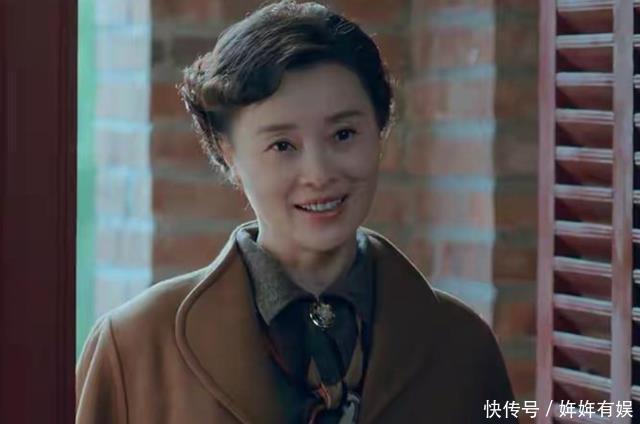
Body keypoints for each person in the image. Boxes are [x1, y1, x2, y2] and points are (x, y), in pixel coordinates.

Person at [76, 1, 517, 423]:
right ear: (228, 154)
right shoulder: (134, 346)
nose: (319, 174)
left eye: (344, 134)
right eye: (282, 145)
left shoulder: (462, 343)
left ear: (380, 131)